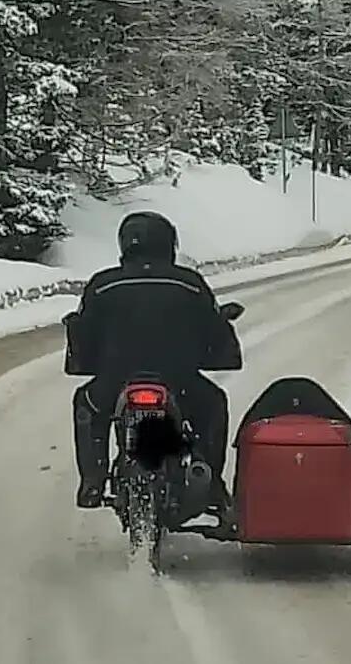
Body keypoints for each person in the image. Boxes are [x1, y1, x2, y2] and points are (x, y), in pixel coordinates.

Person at [63, 211, 241, 513]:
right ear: (168, 243)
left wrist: (86, 358)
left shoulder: (103, 284)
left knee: (86, 405)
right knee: (214, 405)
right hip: (179, 380)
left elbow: (85, 331)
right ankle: (211, 482)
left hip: (116, 380)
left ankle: (92, 480)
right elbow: (212, 327)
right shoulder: (189, 283)